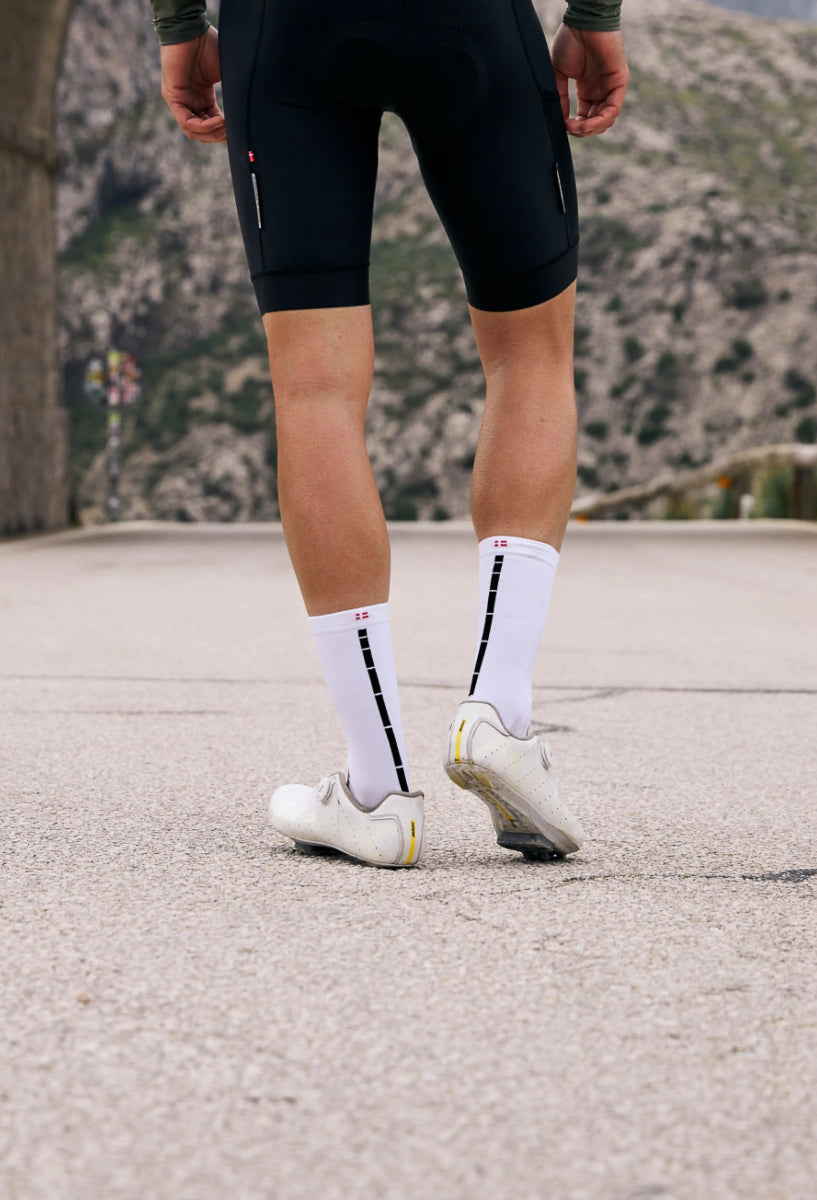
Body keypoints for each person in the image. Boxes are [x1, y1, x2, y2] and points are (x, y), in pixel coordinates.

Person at [152, 0, 629, 867]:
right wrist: (594, 13)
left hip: (287, 31)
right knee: (530, 355)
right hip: (471, 24)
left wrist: (178, 25)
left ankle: (377, 791)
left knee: (316, 388)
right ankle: (498, 716)